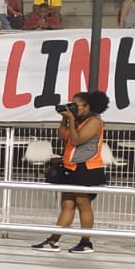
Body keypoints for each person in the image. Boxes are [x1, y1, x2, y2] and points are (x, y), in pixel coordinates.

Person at [31, 91, 109, 254]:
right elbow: (64, 136)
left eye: (75, 106)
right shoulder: (77, 121)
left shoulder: (94, 121)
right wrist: (65, 118)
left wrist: (72, 119)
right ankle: (53, 241)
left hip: (87, 168)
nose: (72, 108)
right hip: (70, 168)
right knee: (67, 204)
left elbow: (77, 139)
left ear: (87, 106)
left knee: (83, 204)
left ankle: (86, 242)